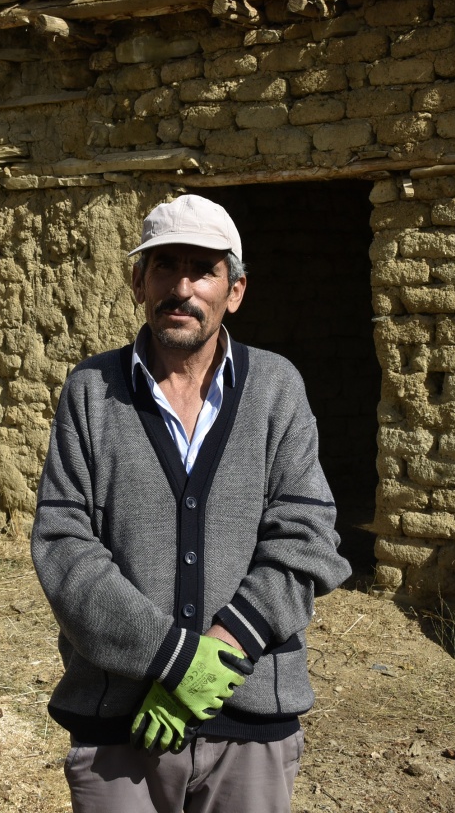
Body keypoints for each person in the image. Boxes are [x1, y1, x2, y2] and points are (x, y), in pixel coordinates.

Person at [31, 193, 352, 813]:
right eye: (164, 266)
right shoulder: (91, 393)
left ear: (234, 290)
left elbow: (307, 536)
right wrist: (174, 659)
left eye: (203, 269)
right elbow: (65, 549)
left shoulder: (276, 389)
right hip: (120, 722)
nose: (182, 287)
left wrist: (222, 649)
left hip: (251, 717)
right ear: (137, 281)